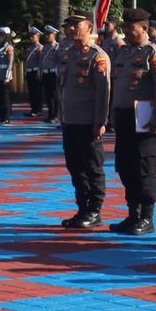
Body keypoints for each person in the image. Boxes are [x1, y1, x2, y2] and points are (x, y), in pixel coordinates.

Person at [106, 10, 156, 234]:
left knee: (144, 169)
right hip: (124, 116)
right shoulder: (124, 52)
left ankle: (146, 217)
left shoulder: (153, 53)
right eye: (125, 27)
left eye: (131, 28)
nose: (126, 32)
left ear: (144, 28)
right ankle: (133, 213)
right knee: (125, 167)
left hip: (144, 118)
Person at [55, 12, 111, 229]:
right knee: (75, 167)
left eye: (76, 25)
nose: (71, 29)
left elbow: (103, 93)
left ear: (89, 27)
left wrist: (100, 121)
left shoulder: (98, 56)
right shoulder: (68, 54)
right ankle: (83, 208)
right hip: (70, 120)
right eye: (68, 25)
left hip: (88, 122)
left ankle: (94, 210)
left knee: (92, 167)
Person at [0, 26, 17, 126]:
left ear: (5, 36)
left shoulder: (9, 48)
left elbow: (10, 63)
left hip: (4, 76)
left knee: (4, 98)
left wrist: (7, 76)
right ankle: (2, 117)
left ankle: (6, 118)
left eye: (1, 35)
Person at [39, 26, 60, 123]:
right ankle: (50, 114)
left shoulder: (57, 47)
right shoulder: (45, 47)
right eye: (46, 35)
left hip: (53, 74)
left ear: (54, 35)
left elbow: (59, 61)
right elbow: (42, 60)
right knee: (48, 95)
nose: (47, 36)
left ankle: (56, 115)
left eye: (49, 34)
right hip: (45, 73)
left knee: (55, 95)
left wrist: (57, 72)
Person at [24, 27, 44, 116]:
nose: (31, 38)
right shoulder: (29, 48)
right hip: (29, 72)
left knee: (37, 92)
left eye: (33, 36)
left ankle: (38, 110)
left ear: (38, 36)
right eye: (30, 36)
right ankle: (33, 109)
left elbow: (41, 62)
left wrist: (39, 72)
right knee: (31, 92)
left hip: (36, 72)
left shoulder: (40, 48)